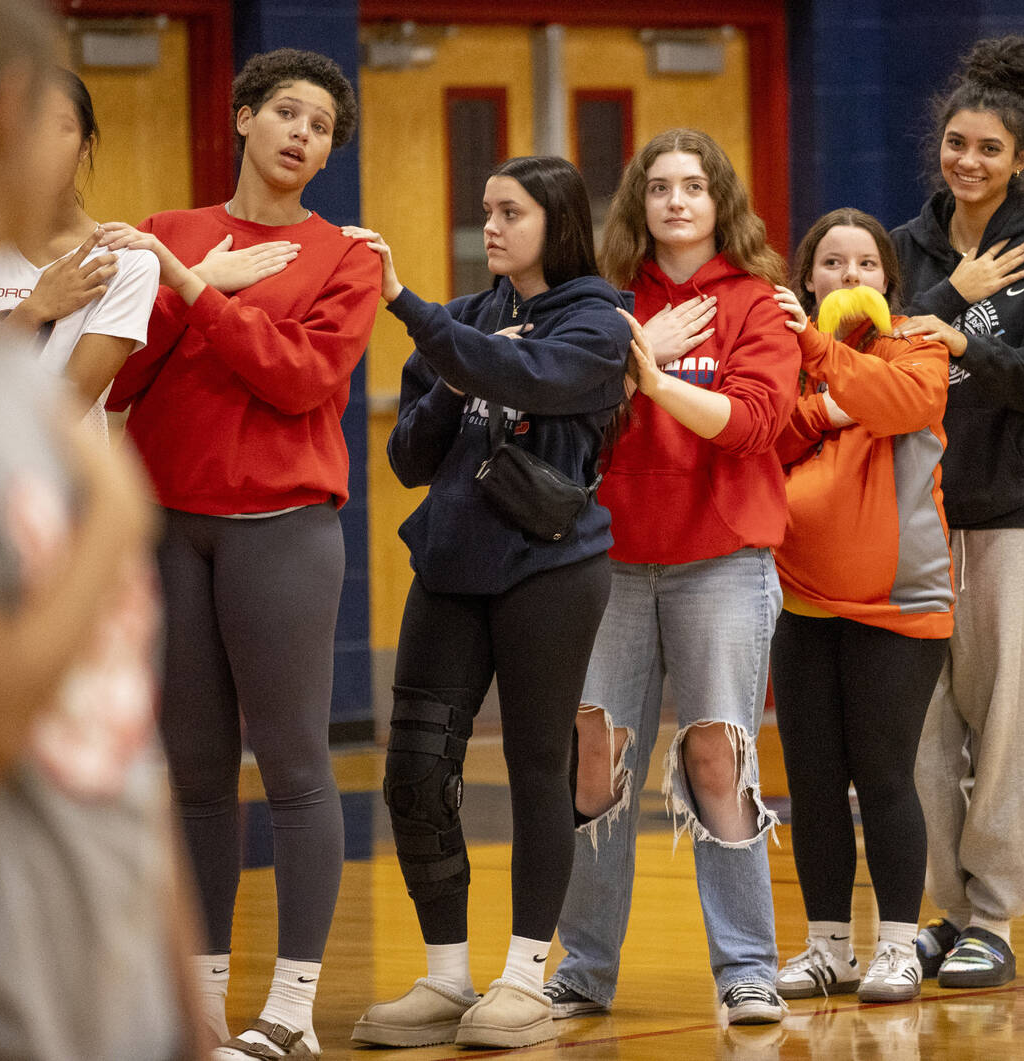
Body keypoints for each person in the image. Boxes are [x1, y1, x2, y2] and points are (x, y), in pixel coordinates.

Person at [99, 48, 381, 1060]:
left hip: (283, 531)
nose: (303, 136)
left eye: (322, 128)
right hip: (169, 528)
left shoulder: (348, 257)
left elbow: (303, 381)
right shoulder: (166, 237)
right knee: (196, 772)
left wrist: (202, 298)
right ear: (245, 119)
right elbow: (119, 384)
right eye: (288, 115)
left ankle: (293, 1012)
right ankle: (203, 1010)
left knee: (299, 765)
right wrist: (189, 280)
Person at [0, 1, 201, 1057]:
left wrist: (185, 1007)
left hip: (109, 1003)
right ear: (10, 109)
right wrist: (115, 534)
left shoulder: (8, 377)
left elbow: (122, 739)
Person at [344, 155, 630, 1050]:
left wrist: (408, 306)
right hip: (450, 565)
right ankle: (446, 978)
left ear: (557, 218)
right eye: (485, 210)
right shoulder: (470, 319)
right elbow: (407, 458)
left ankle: (523, 981)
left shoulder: (598, 318)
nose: (492, 227)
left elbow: (539, 381)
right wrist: (458, 368)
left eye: (509, 211)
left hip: (550, 568)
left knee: (538, 768)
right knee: (415, 770)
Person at [543, 128, 801, 1027]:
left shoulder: (759, 304)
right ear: (639, 204)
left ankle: (746, 967)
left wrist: (646, 378)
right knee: (595, 762)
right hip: (611, 563)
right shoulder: (606, 303)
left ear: (720, 200)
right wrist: (627, 351)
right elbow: (561, 410)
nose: (678, 201)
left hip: (722, 561)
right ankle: (583, 966)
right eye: (660, 188)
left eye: (695, 186)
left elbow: (752, 423)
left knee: (716, 756)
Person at [891, 35, 1024, 988]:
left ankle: (996, 917)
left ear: (1018, 161)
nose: (967, 162)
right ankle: (948, 909)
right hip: (921, 514)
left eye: (989, 150)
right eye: (956, 143)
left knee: (1010, 723)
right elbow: (877, 354)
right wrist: (945, 304)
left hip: (1017, 516)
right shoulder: (905, 247)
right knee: (926, 729)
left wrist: (959, 343)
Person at [768, 209, 953, 1004]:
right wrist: (816, 403)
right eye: (833, 264)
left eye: (866, 265)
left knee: (883, 775)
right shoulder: (783, 358)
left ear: (888, 281)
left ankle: (900, 946)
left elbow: (897, 405)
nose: (849, 277)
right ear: (809, 279)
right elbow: (760, 440)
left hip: (899, 608)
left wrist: (821, 352)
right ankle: (827, 947)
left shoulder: (920, 344)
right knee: (812, 781)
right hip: (803, 602)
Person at [0, 68, 159, 445]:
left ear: (85, 146)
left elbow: (68, 407)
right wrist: (32, 311)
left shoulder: (127, 263)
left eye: (59, 125)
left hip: (64, 485)